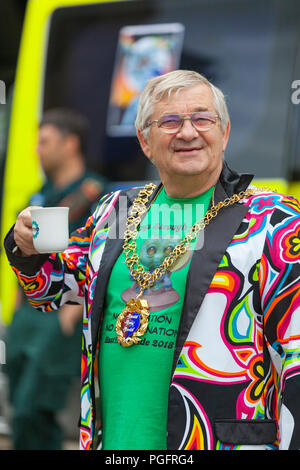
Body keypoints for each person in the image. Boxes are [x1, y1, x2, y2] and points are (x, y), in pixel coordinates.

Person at [4, 70, 300, 450]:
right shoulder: (116, 209)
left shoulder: (274, 221)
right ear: (145, 140)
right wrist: (24, 244)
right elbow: (59, 288)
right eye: (171, 121)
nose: (189, 132)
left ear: (223, 134)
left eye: (203, 118)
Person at [4, 108, 107, 450]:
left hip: (62, 316)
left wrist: (71, 316)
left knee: (34, 410)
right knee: (21, 407)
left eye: (44, 141)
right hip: (27, 317)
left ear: (70, 144)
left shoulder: (98, 196)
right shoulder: (39, 196)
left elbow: (102, 258)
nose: (37, 149)